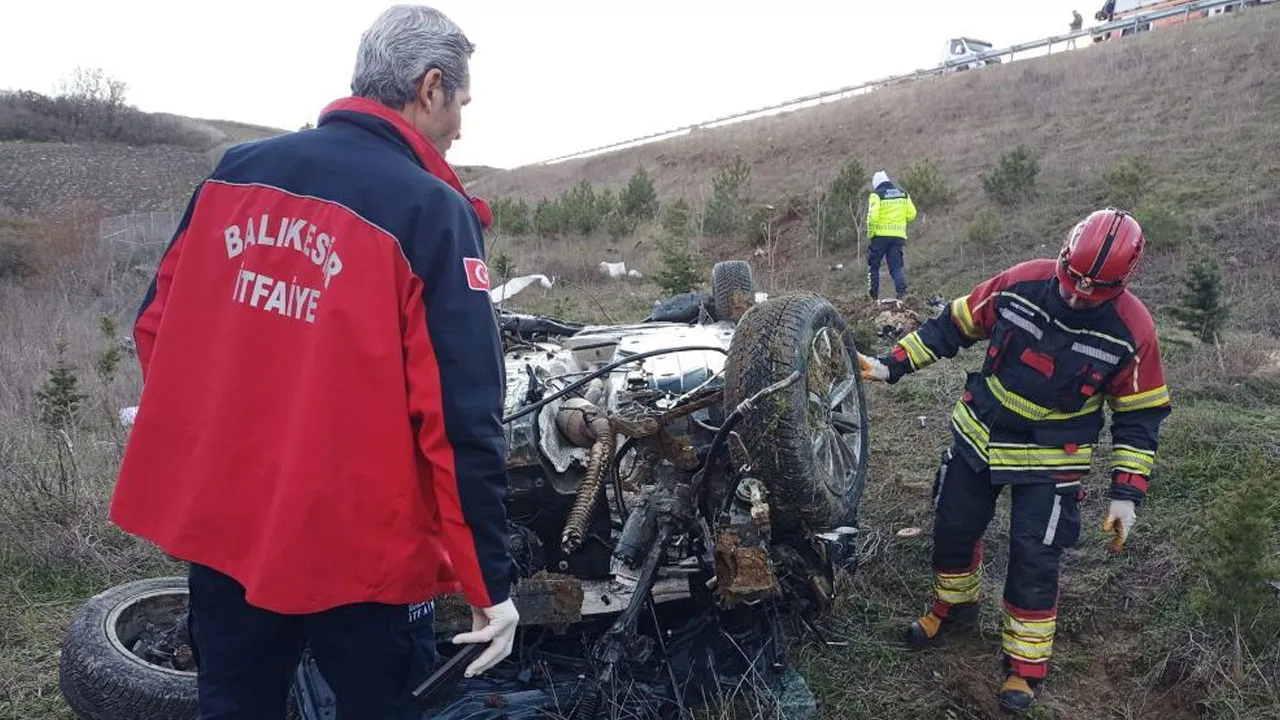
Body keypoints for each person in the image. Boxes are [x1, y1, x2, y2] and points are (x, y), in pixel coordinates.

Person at [109, 5, 520, 718]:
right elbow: (460, 421)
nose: (461, 126)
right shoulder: (429, 211)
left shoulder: (237, 172)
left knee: (236, 703)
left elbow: (156, 329)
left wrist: (240, 443)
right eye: (461, 103)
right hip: (364, 555)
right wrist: (489, 584)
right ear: (430, 89)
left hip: (229, 526)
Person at [858, 208, 1171, 713]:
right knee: (954, 527)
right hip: (980, 435)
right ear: (1064, 256)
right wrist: (890, 364)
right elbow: (952, 326)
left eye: (1090, 293)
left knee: (1034, 558)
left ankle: (1024, 668)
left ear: (1119, 284)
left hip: (1053, 462)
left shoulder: (1133, 330)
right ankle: (954, 609)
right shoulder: (1021, 282)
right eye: (1069, 282)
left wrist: (1126, 494)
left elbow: (1141, 416)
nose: (1073, 296)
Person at [866, 169, 918, 301]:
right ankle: (902, 293)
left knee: (874, 267)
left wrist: (871, 233)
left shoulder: (876, 195)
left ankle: (873, 296)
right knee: (896, 266)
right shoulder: (903, 194)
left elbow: (872, 217)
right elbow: (912, 214)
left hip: (880, 237)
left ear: (876, 184)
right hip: (898, 236)